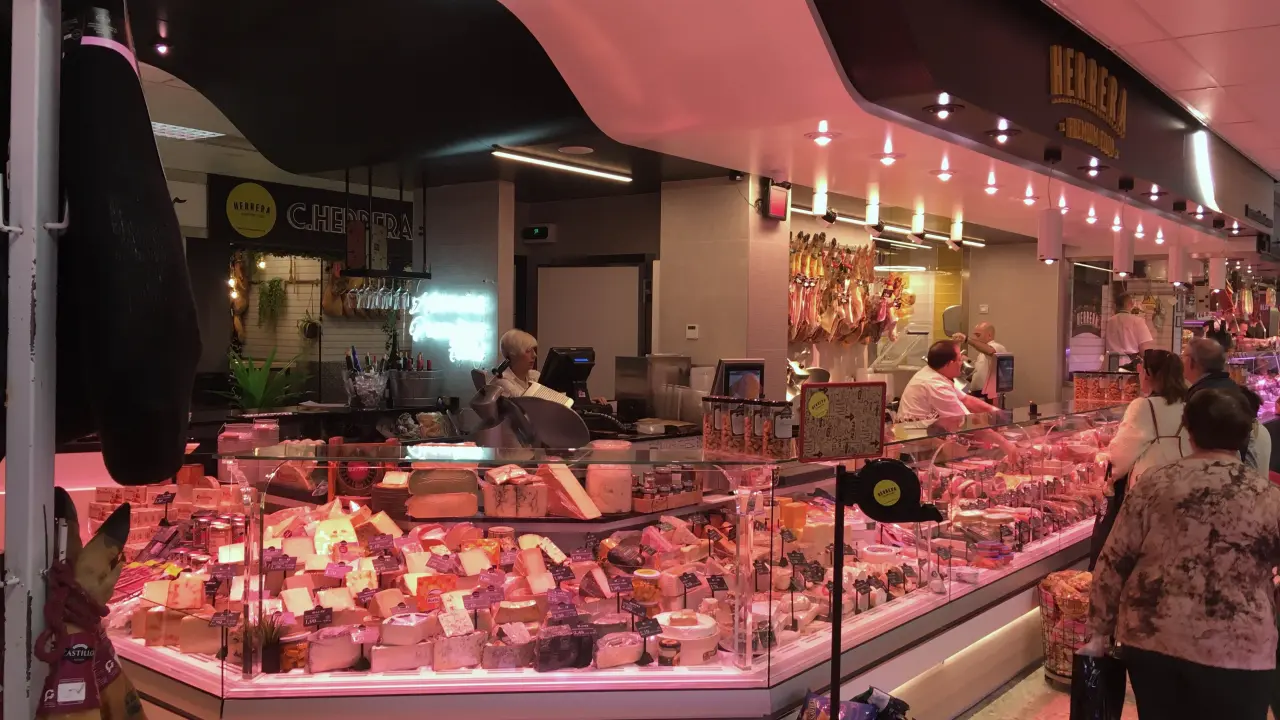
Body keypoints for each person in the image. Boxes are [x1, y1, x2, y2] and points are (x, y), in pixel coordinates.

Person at [1086, 388, 1280, 720]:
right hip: (1240, 648)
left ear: (1188, 431)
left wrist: (1099, 632)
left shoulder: (1154, 484)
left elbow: (1114, 560)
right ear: (1246, 435)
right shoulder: (1268, 496)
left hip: (1153, 640)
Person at [1088, 349, 1189, 568]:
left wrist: (1102, 463)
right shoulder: (1189, 404)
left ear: (1149, 374)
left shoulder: (1143, 406)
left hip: (1149, 493)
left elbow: (1120, 456)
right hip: (1185, 486)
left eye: (1141, 371)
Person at [897, 340, 1003, 420]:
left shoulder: (933, 372)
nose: (962, 363)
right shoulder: (936, 385)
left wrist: (995, 412)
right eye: (959, 359)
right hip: (916, 439)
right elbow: (965, 422)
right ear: (950, 363)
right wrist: (1004, 441)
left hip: (926, 434)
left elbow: (966, 399)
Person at [953, 322, 1006, 403]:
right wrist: (968, 360)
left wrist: (966, 339)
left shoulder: (997, 347)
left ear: (989, 335)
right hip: (978, 394)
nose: (975, 338)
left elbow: (990, 351)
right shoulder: (982, 353)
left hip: (990, 396)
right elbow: (980, 369)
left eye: (978, 335)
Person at [1104, 293, 1154, 367]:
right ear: (1130, 304)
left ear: (1115, 305)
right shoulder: (1137, 321)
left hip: (1110, 363)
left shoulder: (1110, 321)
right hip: (1129, 364)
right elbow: (1144, 348)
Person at [491, 329, 540, 397]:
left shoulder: (534, 375)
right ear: (513, 354)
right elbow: (526, 401)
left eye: (533, 350)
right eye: (528, 351)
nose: (534, 355)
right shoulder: (503, 382)